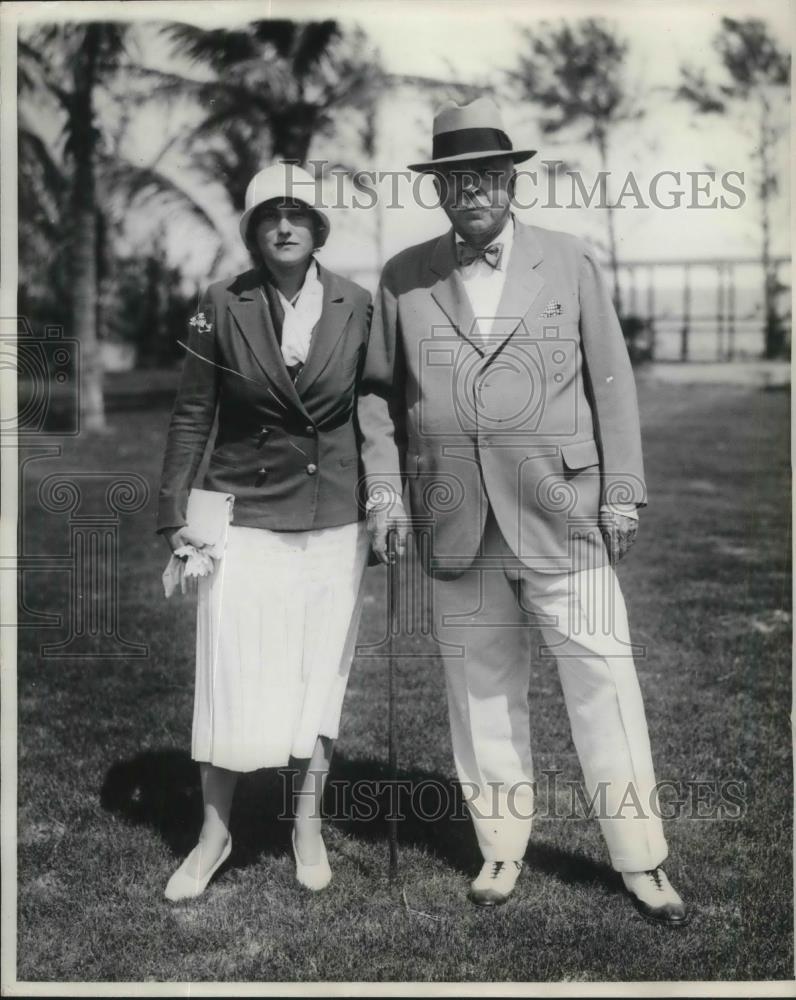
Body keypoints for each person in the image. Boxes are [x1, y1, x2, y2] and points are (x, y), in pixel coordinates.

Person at [357, 98, 688, 925]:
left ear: (511, 182)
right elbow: (375, 395)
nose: (473, 190)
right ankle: (501, 849)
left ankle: (642, 860)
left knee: (604, 682)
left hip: (563, 509)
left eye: (488, 176)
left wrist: (620, 490)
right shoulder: (403, 276)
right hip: (454, 521)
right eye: (456, 178)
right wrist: (387, 488)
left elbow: (611, 381)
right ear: (438, 191)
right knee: (480, 691)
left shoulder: (570, 261)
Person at [157, 162, 371, 901]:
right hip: (242, 516)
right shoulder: (220, 303)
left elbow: (368, 412)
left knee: (320, 676)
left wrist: (388, 502)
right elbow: (192, 414)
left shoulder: (358, 304)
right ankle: (213, 835)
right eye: (270, 214)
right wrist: (176, 514)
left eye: (298, 213)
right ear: (252, 230)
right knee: (231, 671)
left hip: (334, 519)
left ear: (317, 229)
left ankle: (305, 825)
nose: (285, 225)